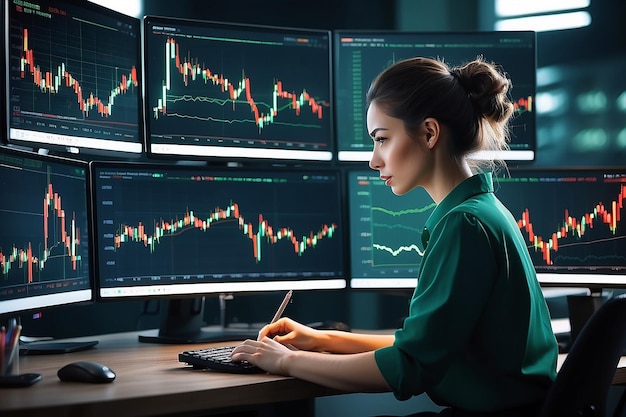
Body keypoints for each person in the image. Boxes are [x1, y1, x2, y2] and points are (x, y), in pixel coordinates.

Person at [231, 56, 559, 417]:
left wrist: (286, 363)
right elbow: (427, 343)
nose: (374, 160)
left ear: (430, 133)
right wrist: (321, 339)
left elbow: (410, 366)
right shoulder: (486, 210)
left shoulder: (463, 225)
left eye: (382, 139)